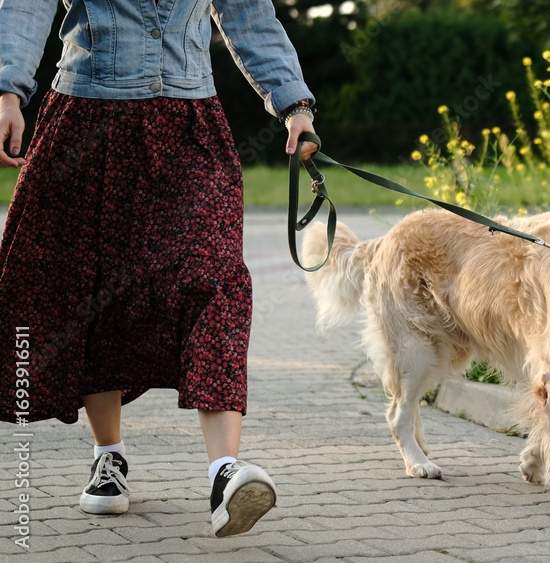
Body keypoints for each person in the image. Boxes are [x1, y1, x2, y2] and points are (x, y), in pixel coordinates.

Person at [0, 0, 319, 537]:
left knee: (215, 278)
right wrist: (8, 90)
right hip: (87, 121)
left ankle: (224, 472)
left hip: (190, 127)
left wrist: (294, 104)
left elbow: (249, 16)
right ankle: (108, 456)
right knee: (95, 293)